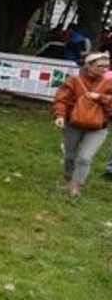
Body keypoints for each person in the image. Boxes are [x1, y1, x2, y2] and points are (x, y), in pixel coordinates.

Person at [54, 51, 112, 196]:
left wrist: (101, 98)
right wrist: (59, 115)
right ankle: (68, 178)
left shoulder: (108, 83)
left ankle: (75, 186)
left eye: (106, 66)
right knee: (70, 155)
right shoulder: (73, 80)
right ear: (88, 65)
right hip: (73, 124)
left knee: (85, 157)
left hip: (98, 127)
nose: (104, 69)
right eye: (100, 66)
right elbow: (61, 99)